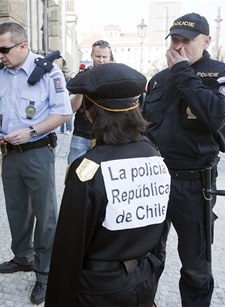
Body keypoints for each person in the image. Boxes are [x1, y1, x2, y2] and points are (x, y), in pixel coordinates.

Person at [46, 63, 170, 306]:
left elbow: (68, 253)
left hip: (98, 291)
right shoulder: (154, 155)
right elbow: (160, 231)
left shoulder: (87, 169)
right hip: (142, 281)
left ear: (92, 113)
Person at [143, 13, 225, 307]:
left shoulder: (223, 75)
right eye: (175, 39)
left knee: (195, 265)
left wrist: (184, 72)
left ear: (206, 41)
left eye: (186, 40)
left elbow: (216, 115)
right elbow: (145, 127)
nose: (178, 46)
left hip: (193, 185)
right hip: (156, 180)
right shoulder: (159, 80)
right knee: (147, 255)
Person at [0, 22, 72, 304]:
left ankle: (45, 274)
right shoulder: (1, 74)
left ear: (23, 46)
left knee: (45, 216)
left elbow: (63, 114)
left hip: (37, 151)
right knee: (17, 210)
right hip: (10, 153)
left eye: (4, 49)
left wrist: (32, 131)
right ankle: (22, 257)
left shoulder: (48, 72)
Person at [67, 40, 113, 164]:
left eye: (105, 57)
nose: (101, 60)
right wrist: (82, 89)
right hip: (81, 135)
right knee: (74, 174)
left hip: (106, 136)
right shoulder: (82, 76)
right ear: (92, 56)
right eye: (98, 56)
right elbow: (71, 108)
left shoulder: (115, 78)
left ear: (110, 57)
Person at [60, 66, 73, 134]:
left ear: (68, 72)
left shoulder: (71, 80)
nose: (65, 73)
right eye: (63, 72)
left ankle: (68, 129)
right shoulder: (60, 79)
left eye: (66, 72)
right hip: (62, 99)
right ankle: (61, 129)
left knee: (69, 114)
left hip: (69, 98)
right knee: (61, 114)